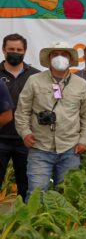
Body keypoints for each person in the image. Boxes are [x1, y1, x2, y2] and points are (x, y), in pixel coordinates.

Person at [14, 41, 86, 198]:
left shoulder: (81, 84)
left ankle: (63, 224)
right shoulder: (34, 80)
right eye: (55, 54)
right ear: (49, 58)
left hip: (71, 149)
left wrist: (84, 141)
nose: (60, 57)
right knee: (36, 195)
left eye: (64, 54)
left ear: (70, 59)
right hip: (39, 148)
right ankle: (35, 223)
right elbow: (22, 111)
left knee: (68, 196)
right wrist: (25, 133)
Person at [0, 33, 40, 200]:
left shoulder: (36, 76)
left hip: (27, 139)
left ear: (25, 51)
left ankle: (26, 223)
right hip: (0, 138)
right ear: (3, 50)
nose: (15, 52)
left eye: (19, 49)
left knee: (27, 185)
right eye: (11, 49)